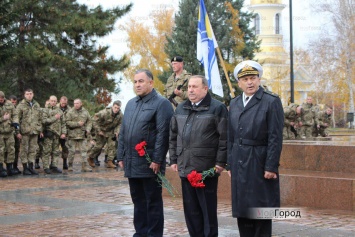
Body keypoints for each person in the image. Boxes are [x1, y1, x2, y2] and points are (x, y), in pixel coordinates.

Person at [228, 60, 284, 236]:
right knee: (242, 211)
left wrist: (271, 166)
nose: (249, 82)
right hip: (239, 162)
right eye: (245, 79)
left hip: (259, 162)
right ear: (239, 83)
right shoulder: (235, 103)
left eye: (253, 78)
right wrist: (230, 163)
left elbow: (275, 137)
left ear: (259, 79)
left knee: (260, 210)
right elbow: (231, 136)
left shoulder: (270, 101)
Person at [169, 75, 228, 237]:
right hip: (185, 167)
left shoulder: (217, 108)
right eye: (189, 87)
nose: (191, 90)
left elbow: (224, 138)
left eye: (195, 87)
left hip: (206, 169)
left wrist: (220, 162)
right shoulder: (181, 108)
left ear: (205, 89)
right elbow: (173, 135)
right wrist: (173, 159)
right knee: (191, 212)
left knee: (207, 212)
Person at [117, 69, 173, 237]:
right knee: (138, 202)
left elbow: (163, 134)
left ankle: (154, 234)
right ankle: (140, 233)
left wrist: (157, 159)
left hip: (150, 163)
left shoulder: (161, 103)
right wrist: (120, 155)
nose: (137, 85)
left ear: (151, 83)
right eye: (135, 82)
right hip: (132, 162)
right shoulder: (131, 103)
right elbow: (124, 131)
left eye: (141, 81)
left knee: (152, 202)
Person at [15, 89, 43, 175]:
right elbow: (16, 119)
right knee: (24, 150)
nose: (29, 95)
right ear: (24, 95)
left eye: (30, 94)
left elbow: (40, 118)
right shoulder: (21, 105)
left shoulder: (36, 105)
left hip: (34, 131)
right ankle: (25, 167)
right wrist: (17, 132)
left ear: (33, 94)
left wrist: (40, 129)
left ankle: (31, 166)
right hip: (25, 131)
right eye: (27, 94)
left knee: (33, 149)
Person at [87, 100, 123, 168]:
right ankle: (90, 157)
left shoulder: (120, 115)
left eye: (118, 108)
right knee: (99, 146)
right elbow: (94, 120)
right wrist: (98, 130)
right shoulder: (104, 112)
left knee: (112, 146)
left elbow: (119, 124)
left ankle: (110, 161)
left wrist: (117, 131)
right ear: (112, 106)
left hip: (110, 131)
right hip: (101, 131)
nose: (116, 109)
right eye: (115, 107)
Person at [65, 99, 92, 172]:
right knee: (71, 151)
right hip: (72, 135)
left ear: (81, 103)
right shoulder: (70, 112)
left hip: (82, 135)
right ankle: (70, 166)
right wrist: (77, 124)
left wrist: (88, 129)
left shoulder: (85, 112)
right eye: (74, 103)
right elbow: (67, 122)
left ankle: (85, 166)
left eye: (77, 103)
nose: (76, 105)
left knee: (84, 151)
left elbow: (89, 121)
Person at [42, 95, 66, 174]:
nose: (53, 102)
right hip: (48, 133)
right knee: (46, 151)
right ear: (49, 101)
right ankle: (46, 167)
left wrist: (63, 133)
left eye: (55, 101)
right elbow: (44, 121)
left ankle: (54, 165)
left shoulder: (59, 111)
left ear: (57, 102)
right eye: (52, 101)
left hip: (57, 134)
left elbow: (63, 123)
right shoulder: (45, 110)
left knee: (56, 151)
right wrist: (54, 118)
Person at [0, 91, 19, 177]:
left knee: (11, 149)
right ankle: (0, 168)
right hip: (0, 132)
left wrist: (15, 122)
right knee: (1, 150)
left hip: (9, 130)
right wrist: (3, 118)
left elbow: (15, 114)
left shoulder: (9, 104)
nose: (1, 100)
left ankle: (9, 168)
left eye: (2, 99)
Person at [7, 95, 21, 174]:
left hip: (16, 132)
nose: (14, 104)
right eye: (12, 102)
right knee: (9, 150)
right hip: (8, 132)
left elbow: (18, 122)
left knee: (16, 150)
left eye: (15, 102)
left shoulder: (17, 110)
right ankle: (9, 167)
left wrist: (18, 132)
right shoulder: (7, 109)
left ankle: (15, 166)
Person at [57, 96, 71, 169]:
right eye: (62, 103)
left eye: (65, 103)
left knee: (65, 148)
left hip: (66, 132)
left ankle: (65, 163)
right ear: (60, 101)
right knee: (55, 148)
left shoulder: (70, 110)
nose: (63, 104)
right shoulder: (55, 108)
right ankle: (54, 164)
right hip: (56, 131)